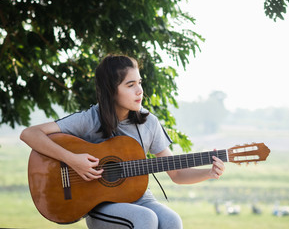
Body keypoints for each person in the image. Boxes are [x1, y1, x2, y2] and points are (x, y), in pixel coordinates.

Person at [20, 54, 225, 229]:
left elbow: (177, 174)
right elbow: (29, 134)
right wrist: (73, 160)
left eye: (140, 83)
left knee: (172, 221)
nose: (139, 91)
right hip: (98, 205)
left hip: (141, 198)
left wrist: (208, 172)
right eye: (130, 85)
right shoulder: (89, 119)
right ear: (111, 90)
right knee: (146, 219)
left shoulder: (149, 123)